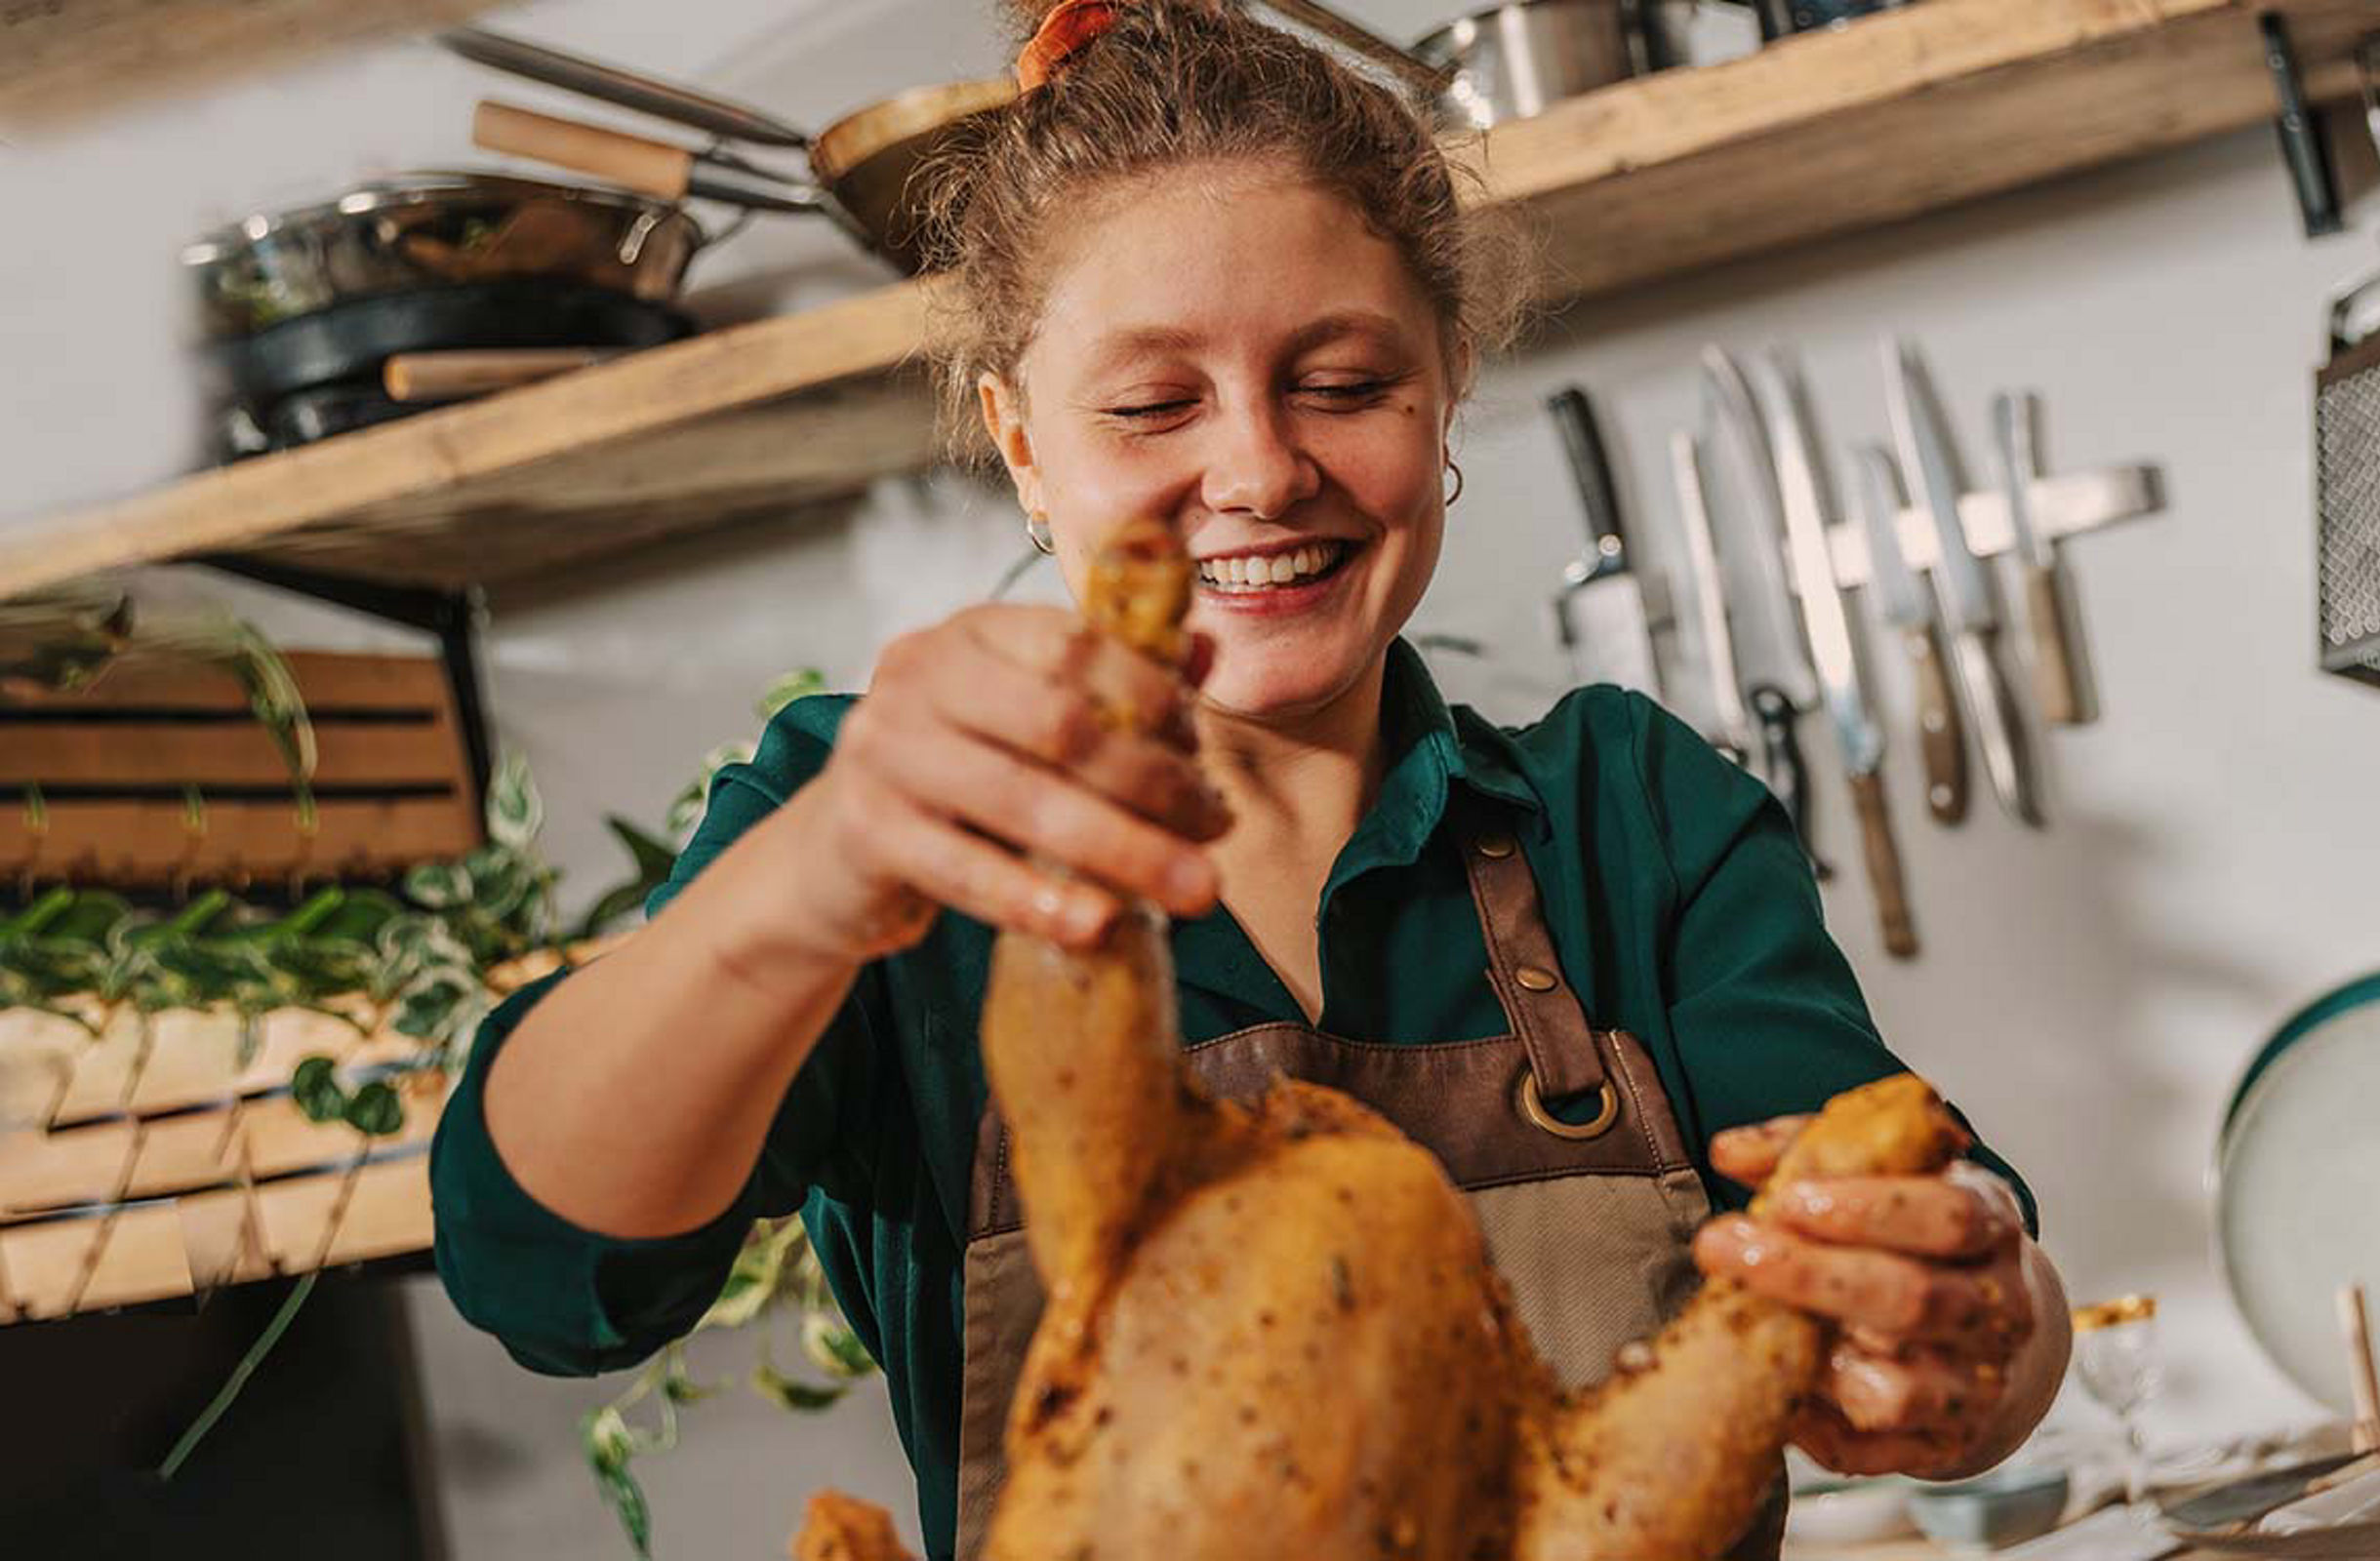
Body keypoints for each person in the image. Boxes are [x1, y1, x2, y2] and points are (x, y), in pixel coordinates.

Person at [429, 2, 2074, 1555]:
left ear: (1446, 395)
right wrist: (798, 892)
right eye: (1153, 402)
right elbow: (546, 1268)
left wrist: (1985, 1328)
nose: (1258, 469)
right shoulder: (887, 835)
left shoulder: (1632, 813)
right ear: (1021, 447)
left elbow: (1928, 1215)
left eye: (1344, 383)